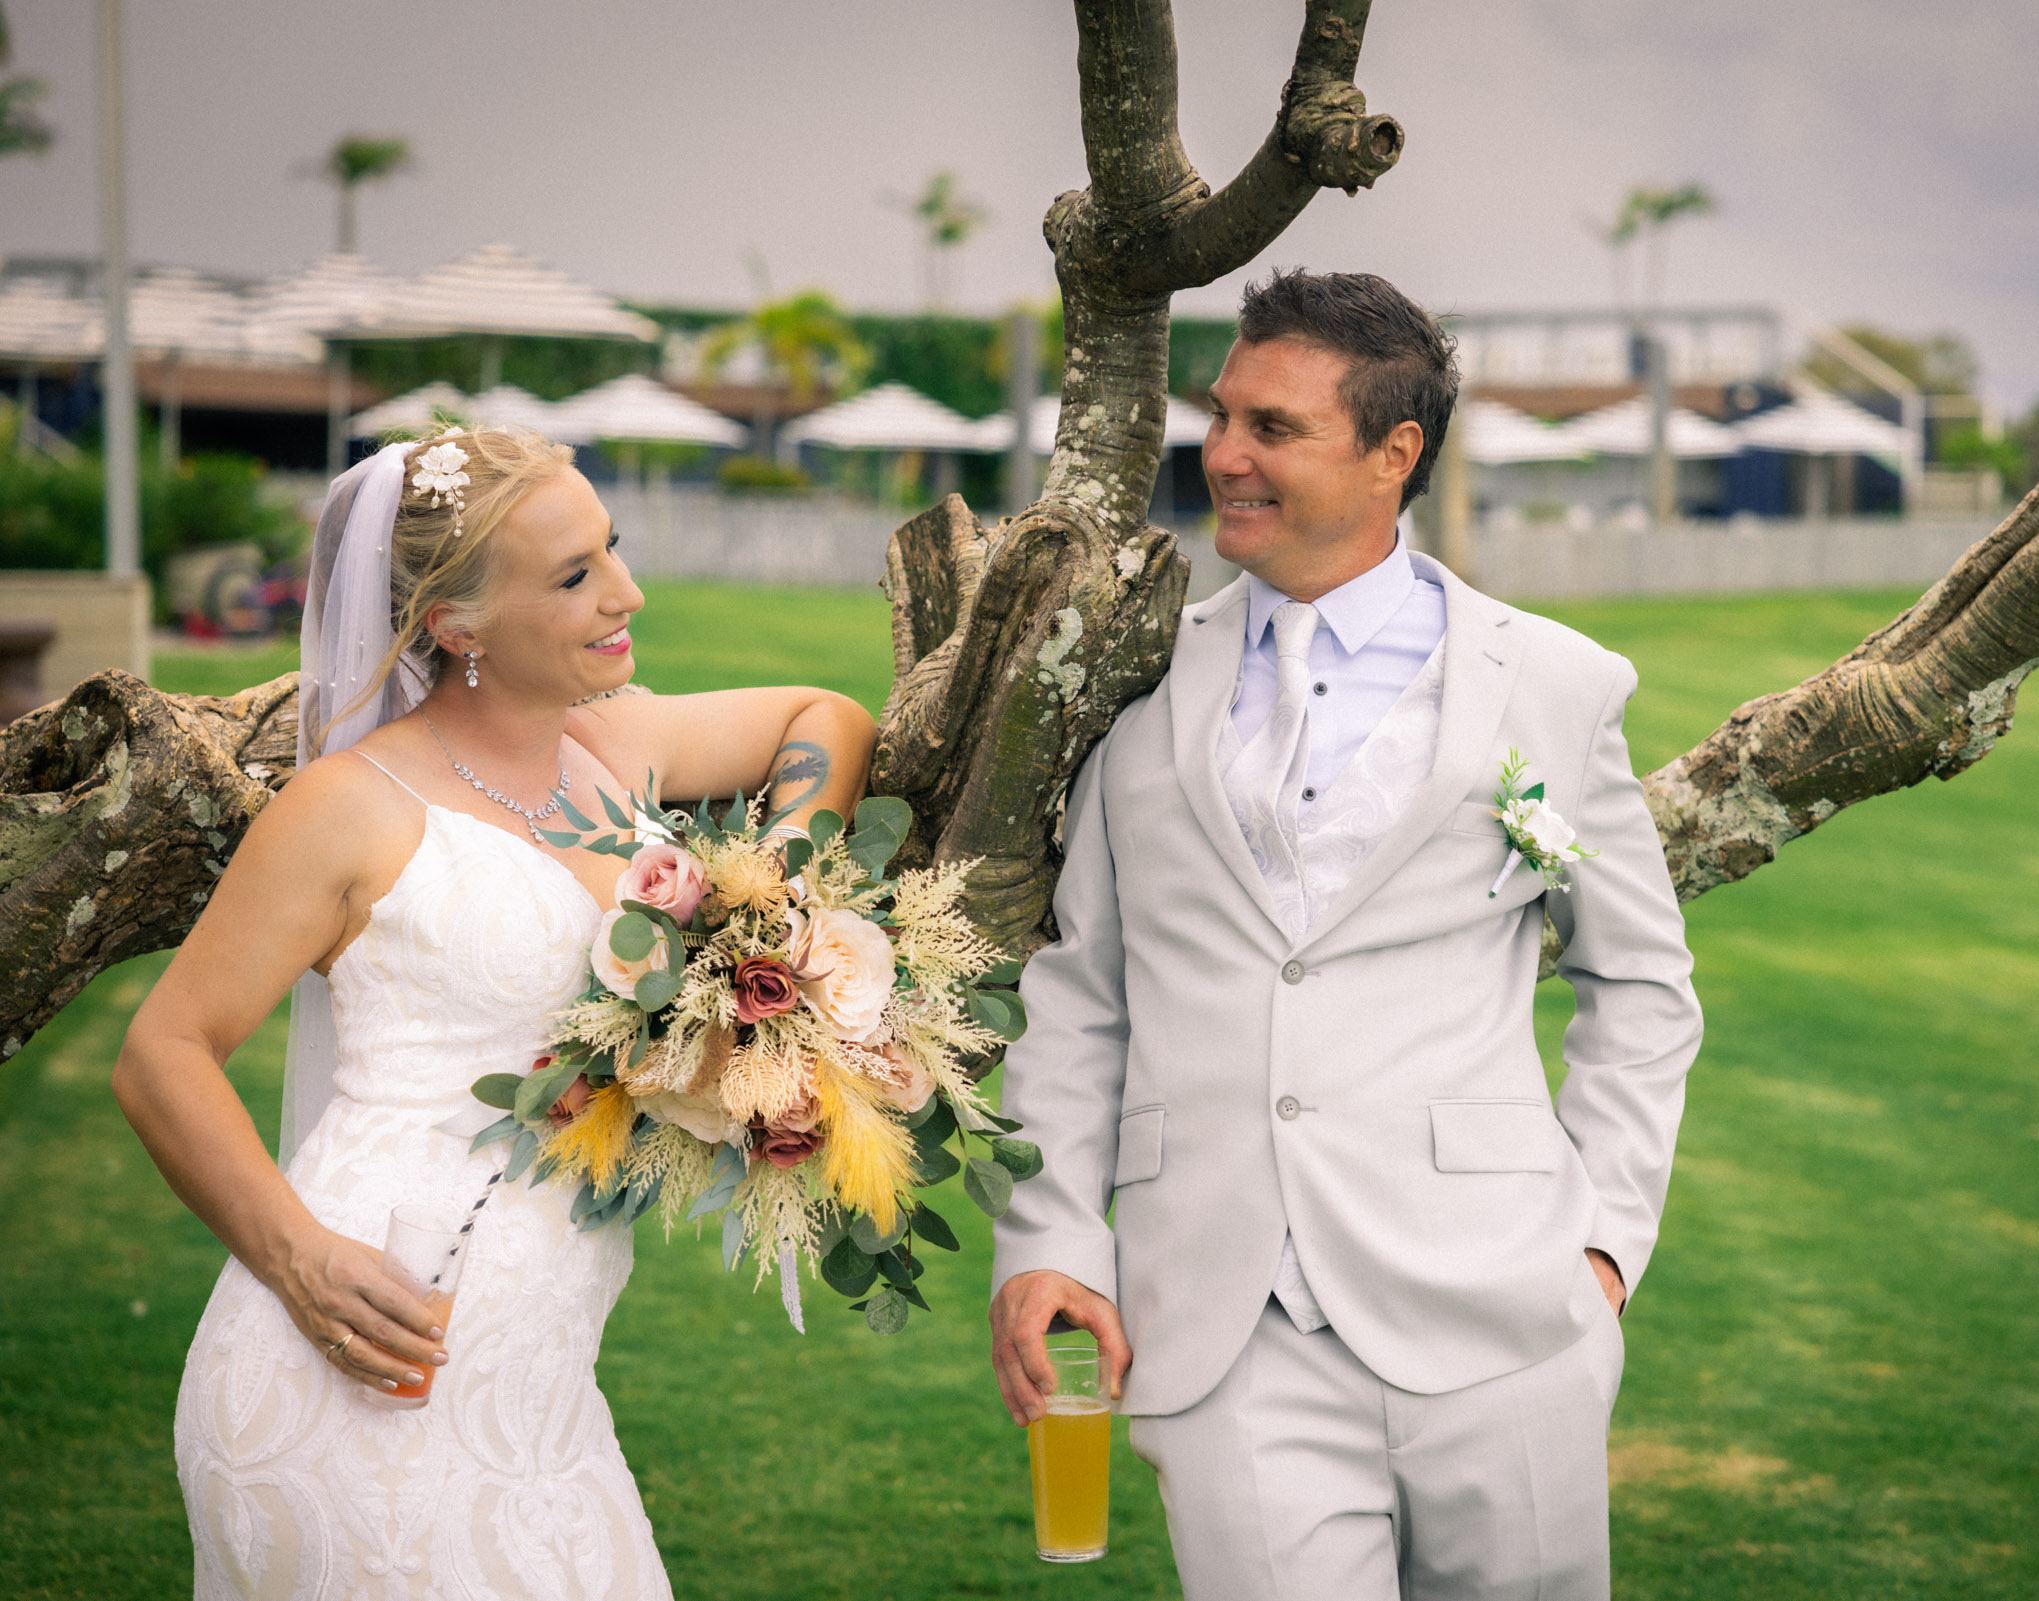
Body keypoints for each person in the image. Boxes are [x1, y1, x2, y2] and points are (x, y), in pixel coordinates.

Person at [989, 270, 1703, 1599]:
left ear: (1395, 453)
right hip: (1220, 1323)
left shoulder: (1552, 684)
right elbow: (1080, 994)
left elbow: (1642, 982)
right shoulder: (1131, 683)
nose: (1225, 454)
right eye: (1223, 415)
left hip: (1506, 1312)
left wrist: (1602, 1243)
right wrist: (1051, 1237)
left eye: (1274, 428)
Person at [113, 427, 876, 1599]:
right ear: (456, 624)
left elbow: (826, 716)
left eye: (612, 548)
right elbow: (162, 1049)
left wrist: (770, 892)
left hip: (539, 1396)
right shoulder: (350, 807)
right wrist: (296, 1255)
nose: (625, 592)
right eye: (573, 576)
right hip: (353, 1363)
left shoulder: (612, 745)